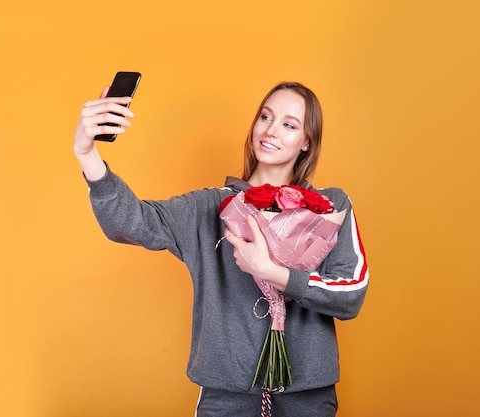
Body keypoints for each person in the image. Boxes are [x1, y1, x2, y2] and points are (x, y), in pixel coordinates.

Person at [73, 81, 369, 417]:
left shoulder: (331, 207)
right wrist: (86, 153)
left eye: (289, 125)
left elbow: (351, 294)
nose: (270, 131)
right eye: (265, 117)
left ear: (306, 142)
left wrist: (274, 273)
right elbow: (132, 222)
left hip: (307, 401)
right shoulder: (210, 208)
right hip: (225, 401)